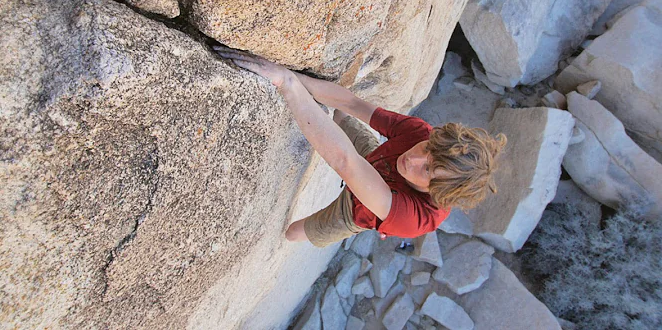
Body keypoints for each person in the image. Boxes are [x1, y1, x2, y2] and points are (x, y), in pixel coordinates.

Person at [214, 46, 507, 248]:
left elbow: (346, 162)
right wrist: (296, 77)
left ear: (436, 193)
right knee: (340, 114)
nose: (414, 159)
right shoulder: (420, 134)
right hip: (374, 161)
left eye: (428, 170)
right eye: (427, 149)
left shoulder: (416, 217)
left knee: (294, 234)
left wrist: (288, 84)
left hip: (358, 209)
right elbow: (352, 103)